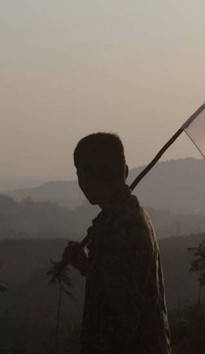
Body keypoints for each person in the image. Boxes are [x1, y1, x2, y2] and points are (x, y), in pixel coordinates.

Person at [62, 132, 171, 354]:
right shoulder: (129, 218)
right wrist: (87, 266)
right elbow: (118, 281)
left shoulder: (118, 230)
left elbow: (121, 317)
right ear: (125, 171)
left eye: (80, 173)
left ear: (85, 177)